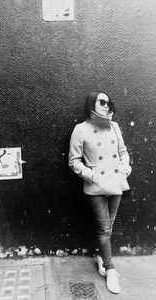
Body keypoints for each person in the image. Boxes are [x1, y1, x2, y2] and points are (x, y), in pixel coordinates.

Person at [68, 92, 132, 294]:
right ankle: (111, 269)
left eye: (108, 102)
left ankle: (101, 258)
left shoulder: (114, 126)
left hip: (116, 183)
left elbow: (123, 152)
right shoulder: (81, 130)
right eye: (101, 102)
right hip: (96, 186)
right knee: (104, 229)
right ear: (91, 106)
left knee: (108, 227)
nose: (106, 106)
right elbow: (73, 161)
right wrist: (92, 175)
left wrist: (125, 169)